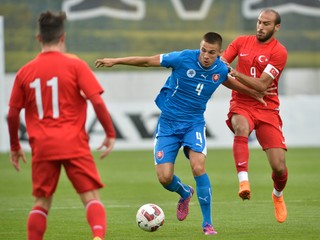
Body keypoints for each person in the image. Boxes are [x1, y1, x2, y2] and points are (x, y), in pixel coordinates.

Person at [95, 32, 271, 235]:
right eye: (203, 50)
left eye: (211, 52)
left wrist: (255, 93)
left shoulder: (221, 69)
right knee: (164, 178)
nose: (205, 55)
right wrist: (115, 61)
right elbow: (148, 61)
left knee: (198, 167)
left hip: (193, 125)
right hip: (168, 124)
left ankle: (207, 223)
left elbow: (230, 82)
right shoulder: (183, 58)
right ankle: (185, 192)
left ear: (219, 53)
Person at [7, 11, 116, 240]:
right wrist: (110, 132)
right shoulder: (75, 65)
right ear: (63, 37)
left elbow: (13, 114)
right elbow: (96, 100)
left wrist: (15, 146)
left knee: (42, 202)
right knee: (90, 197)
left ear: (39, 38)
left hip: (43, 146)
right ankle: (97, 237)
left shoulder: (24, 72)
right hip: (73, 143)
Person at [221, 8, 288, 223]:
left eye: (266, 24)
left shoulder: (279, 52)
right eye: (259, 22)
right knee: (241, 127)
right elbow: (219, 70)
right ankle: (243, 182)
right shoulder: (240, 42)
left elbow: (262, 85)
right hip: (241, 103)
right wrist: (229, 72)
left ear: (276, 27)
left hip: (268, 108)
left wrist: (234, 72)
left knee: (279, 167)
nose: (260, 27)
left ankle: (277, 195)